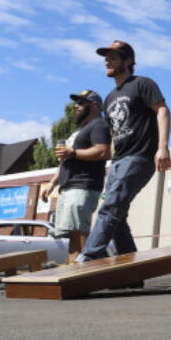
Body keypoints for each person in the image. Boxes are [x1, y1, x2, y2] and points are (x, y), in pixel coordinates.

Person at [77, 40, 171, 262]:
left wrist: (162, 147)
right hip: (119, 161)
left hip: (139, 158)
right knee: (117, 216)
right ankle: (132, 269)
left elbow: (163, 111)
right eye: (106, 58)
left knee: (111, 207)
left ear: (128, 60)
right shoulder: (110, 98)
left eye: (113, 57)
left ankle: (88, 257)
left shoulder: (143, 84)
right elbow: (113, 136)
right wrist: (109, 165)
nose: (107, 61)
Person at [39, 89, 111, 261]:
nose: (76, 106)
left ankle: (78, 275)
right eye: (75, 103)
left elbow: (102, 151)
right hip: (68, 187)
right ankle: (85, 269)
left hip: (82, 186)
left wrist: (73, 153)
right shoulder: (80, 130)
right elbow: (65, 161)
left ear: (94, 105)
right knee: (73, 233)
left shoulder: (99, 124)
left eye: (81, 102)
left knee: (78, 232)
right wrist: (51, 184)